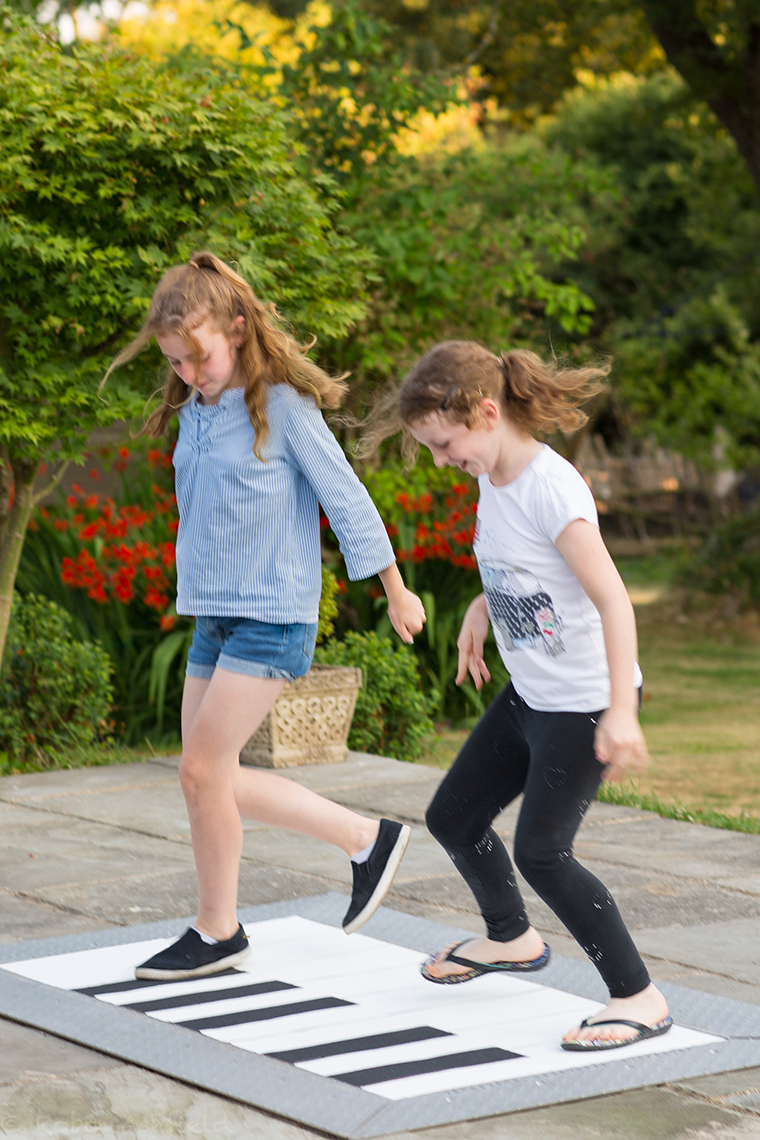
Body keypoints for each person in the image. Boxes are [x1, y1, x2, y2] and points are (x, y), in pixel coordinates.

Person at [103, 251, 425, 981]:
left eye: (199, 356)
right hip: (214, 616)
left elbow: (345, 498)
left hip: (272, 616)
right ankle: (358, 843)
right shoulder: (195, 408)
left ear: (239, 327)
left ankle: (219, 927)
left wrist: (396, 588)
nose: (188, 373)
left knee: (200, 768)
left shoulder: (283, 406)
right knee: (201, 778)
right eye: (176, 362)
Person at [366, 340, 670, 1052]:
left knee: (543, 852)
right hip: (532, 694)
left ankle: (639, 995)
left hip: (586, 701)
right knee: (454, 815)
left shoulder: (550, 488)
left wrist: (622, 710)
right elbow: (525, 569)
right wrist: (482, 609)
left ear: (487, 412)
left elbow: (613, 601)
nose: (442, 460)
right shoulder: (494, 478)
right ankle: (511, 937)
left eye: (444, 444)